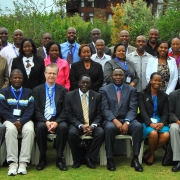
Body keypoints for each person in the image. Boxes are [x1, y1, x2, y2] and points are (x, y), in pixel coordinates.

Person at [99, 68, 143, 172]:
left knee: (138, 126)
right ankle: (110, 159)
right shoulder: (104, 90)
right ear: (111, 77)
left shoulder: (131, 90)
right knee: (109, 128)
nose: (118, 77)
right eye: (116, 75)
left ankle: (135, 159)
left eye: (120, 75)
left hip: (127, 119)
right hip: (111, 120)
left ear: (125, 77)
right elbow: (104, 109)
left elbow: (133, 108)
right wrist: (115, 120)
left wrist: (127, 122)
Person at [33, 63, 68, 171]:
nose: (51, 76)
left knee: (63, 127)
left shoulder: (63, 90)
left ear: (57, 75)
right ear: (45, 74)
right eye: (49, 73)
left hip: (57, 119)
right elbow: (36, 110)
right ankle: (43, 158)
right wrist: (46, 122)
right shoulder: (36, 90)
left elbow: (65, 109)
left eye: (54, 73)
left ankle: (59, 158)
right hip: (43, 119)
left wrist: (56, 122)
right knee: (39, 128)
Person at [65, 74, 104, 169]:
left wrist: (93, 126)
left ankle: (89, 158)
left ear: (91, 84)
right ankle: (77, 159)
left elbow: (99, 114)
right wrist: (81, 125)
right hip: (77, 124)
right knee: (71, 133)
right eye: (83, 82)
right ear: (79, 83)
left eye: (87, 83)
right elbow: (69, 115)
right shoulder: (69, 95)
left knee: (101, 133)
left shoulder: (97, 96)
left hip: (92, 124)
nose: (85, 85)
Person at [0, 69, 34, 176]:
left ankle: (23, 162)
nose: (17, 79)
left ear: (23, 79)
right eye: (15, 77)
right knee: (10, 129)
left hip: (25, 120)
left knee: (29, 129)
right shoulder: (3, 92)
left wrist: (22, 121)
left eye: (19, 77)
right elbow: (3, 110)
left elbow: (30, 110)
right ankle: (13, 163)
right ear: (10, 79)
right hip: (10, 120)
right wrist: (15, 121)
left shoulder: (29, 92)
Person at [138, 72, 169, 165]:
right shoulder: (142, 94)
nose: (157, 82)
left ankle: (148, 152)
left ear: (162, 83)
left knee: (166, 135)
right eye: (155, 80)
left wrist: (162, 123)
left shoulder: (163, 95)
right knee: (153, 133)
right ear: (151, 81)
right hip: (146, 121)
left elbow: (165, 112)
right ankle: (151, 155)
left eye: (159, 81)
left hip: (159, 121)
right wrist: (150, 123)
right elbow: (142, 111)